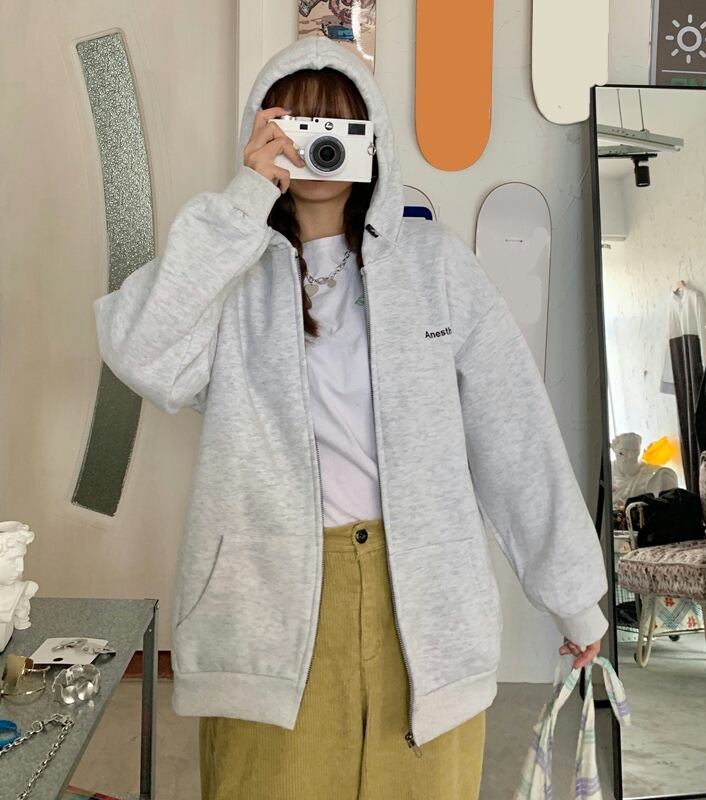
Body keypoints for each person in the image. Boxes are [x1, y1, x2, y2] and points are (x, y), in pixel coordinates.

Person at [93, 36, 608, 800]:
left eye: (340, 125)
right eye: (298, 126)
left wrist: (573, 595)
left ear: (375, 140)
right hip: (269, 601)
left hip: (424, 596)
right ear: (263, 133)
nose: (321, 145)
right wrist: (243, 200)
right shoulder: (232, 275)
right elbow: (140, 348)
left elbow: (513, 427)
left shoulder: (434, 264)